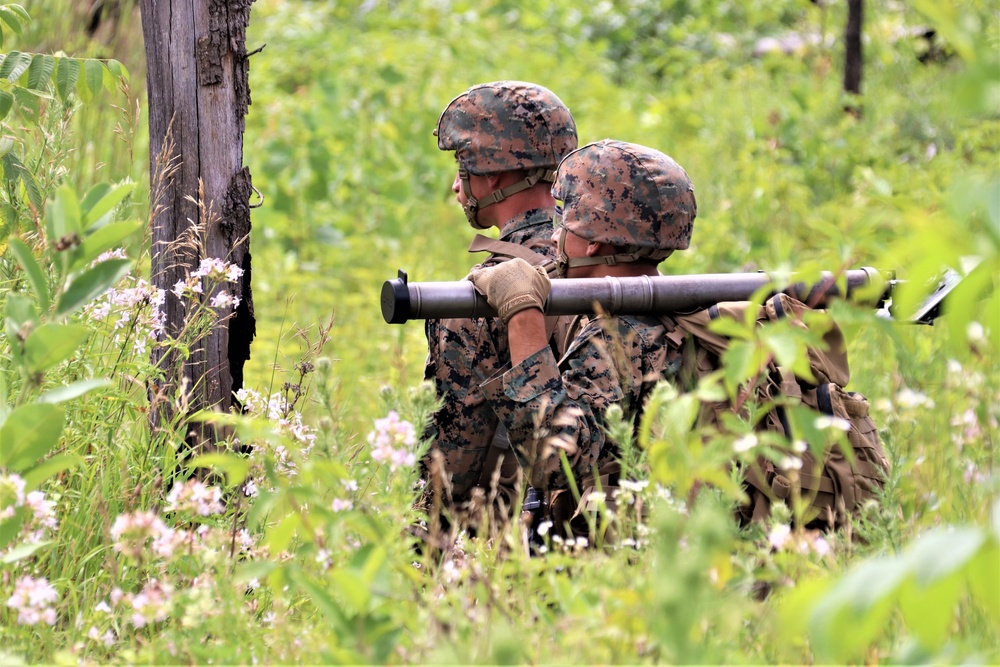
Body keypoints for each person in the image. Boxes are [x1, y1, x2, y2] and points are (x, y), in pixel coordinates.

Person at [467, 139, 697, 532]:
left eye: (565, 220)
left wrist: (522, 314)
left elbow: (553, 462)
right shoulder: (685, 309)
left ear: (593, 239)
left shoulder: (621, 335)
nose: (556, 236)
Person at [420, 81, 579, 530]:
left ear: (490, 175)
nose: (457, 185)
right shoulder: (614, 261)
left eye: (462, 167)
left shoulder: (484, 293)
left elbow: (452, 465)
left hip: (526, 540)